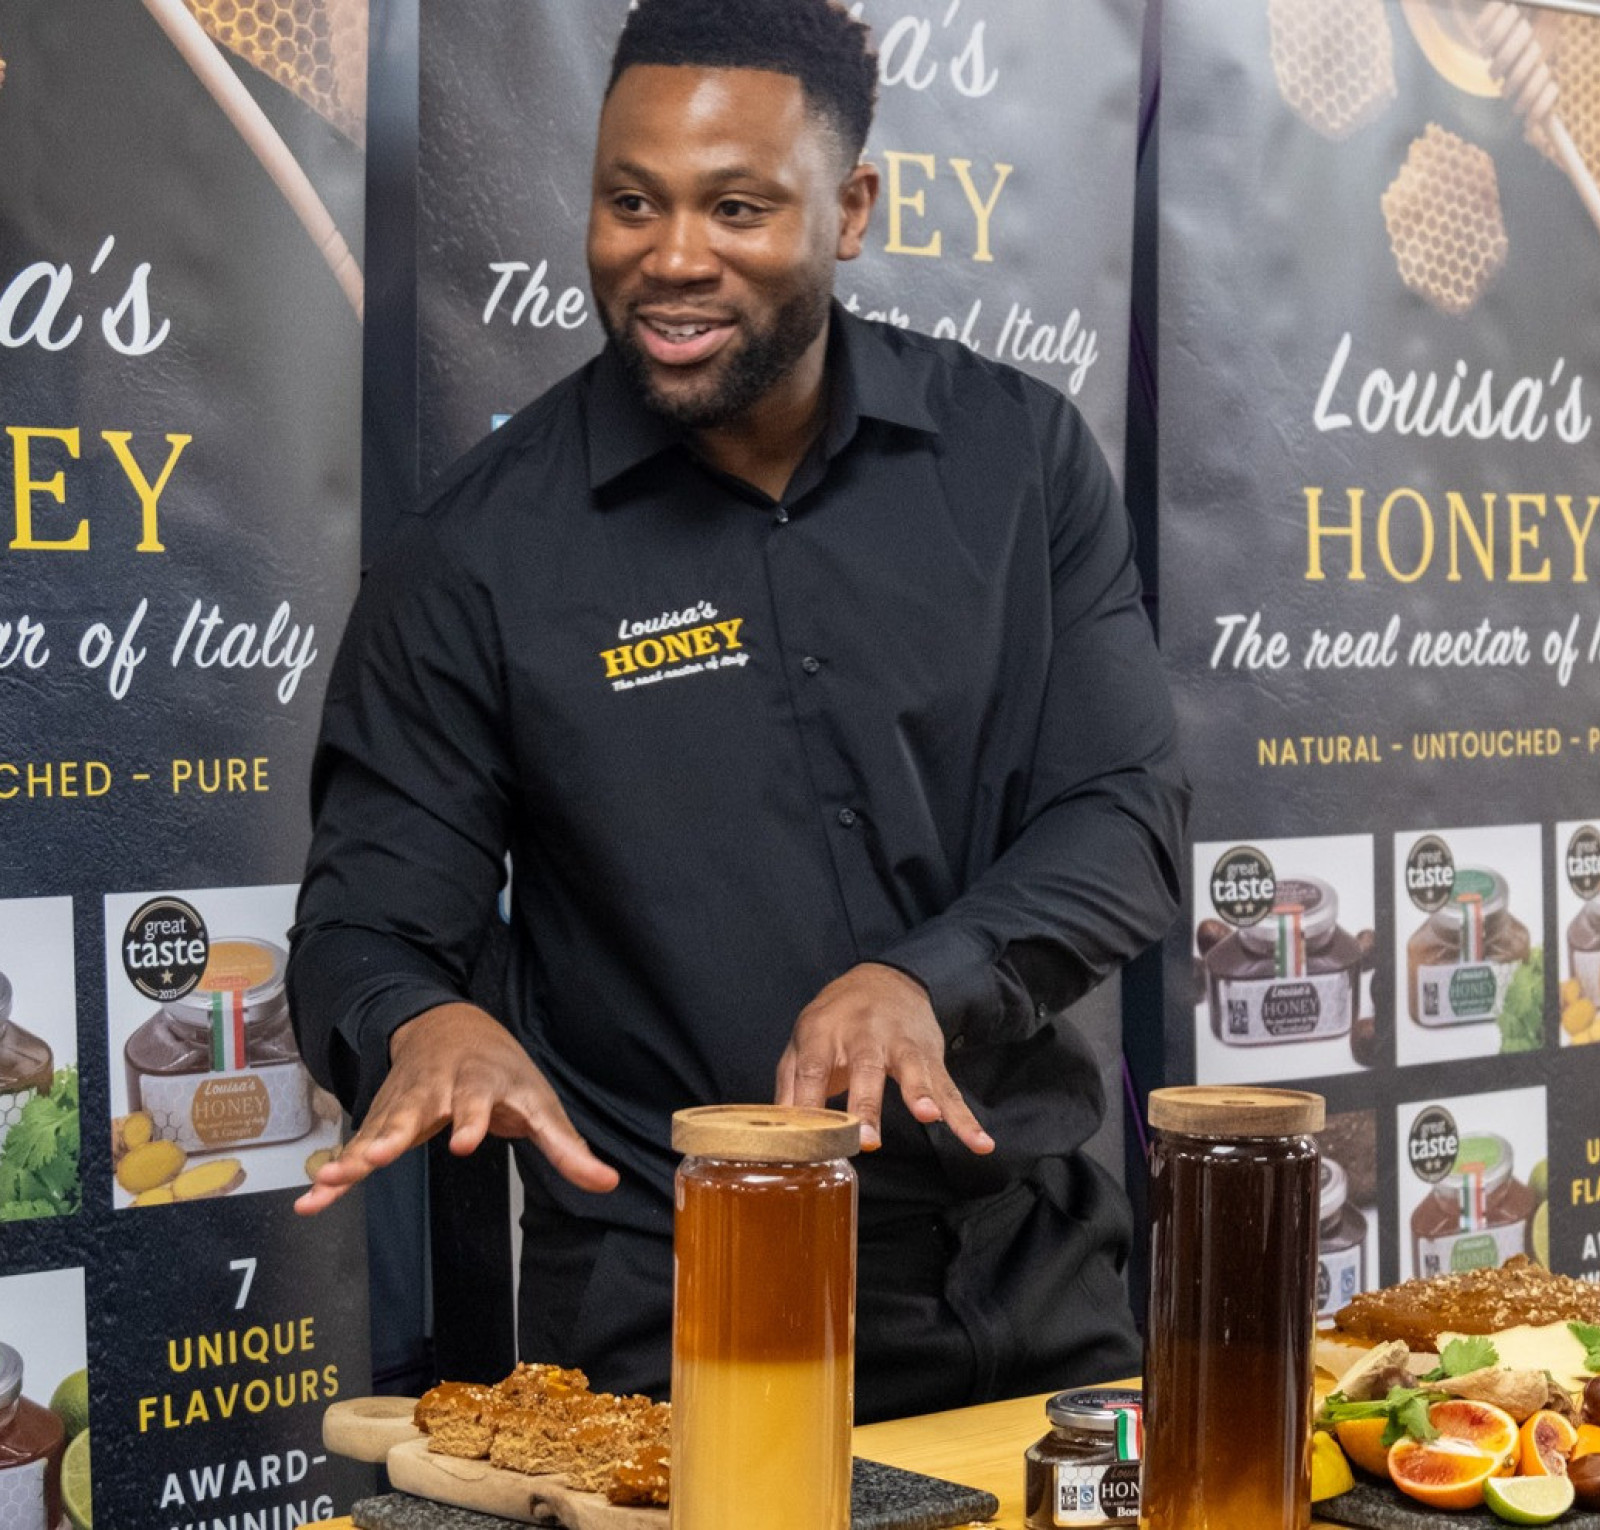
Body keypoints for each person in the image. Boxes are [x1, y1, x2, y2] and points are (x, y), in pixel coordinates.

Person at [288, 0, 1186, 1422]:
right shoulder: (472, 556)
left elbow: (1123, 818)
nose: (673, 256)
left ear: (852, 209)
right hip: (681, 1317)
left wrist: (921, 979)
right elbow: (366, 927)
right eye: (630, 201)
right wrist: (419, 1024)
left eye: (739, 206)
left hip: (1044, 1285)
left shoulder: (1019, 463)